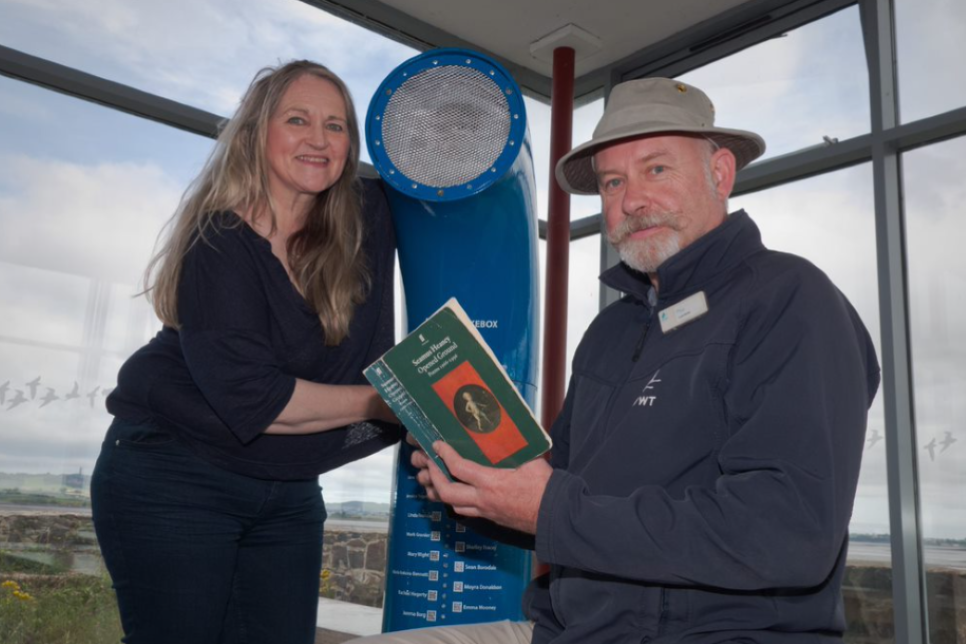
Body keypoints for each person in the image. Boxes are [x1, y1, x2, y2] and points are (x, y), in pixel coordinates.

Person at [350, 78, 881, 643]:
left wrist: (548, 508)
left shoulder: (790, 298)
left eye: (656, 170)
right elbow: (563, 503)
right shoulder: (612, 328)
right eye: (612, 182)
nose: (632, 200)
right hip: (567, 629)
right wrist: (479, 492)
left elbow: (787, 533)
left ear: (720, 173)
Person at [91, 60, 400, 644]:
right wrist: (385, 401)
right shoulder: (219, 241)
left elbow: (444, 173)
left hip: (286, 484)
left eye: (336, 126)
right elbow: (255, 400)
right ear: (258, 133)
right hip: (173, 475)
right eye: (298, 119)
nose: (318, 139)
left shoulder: (367, 216)